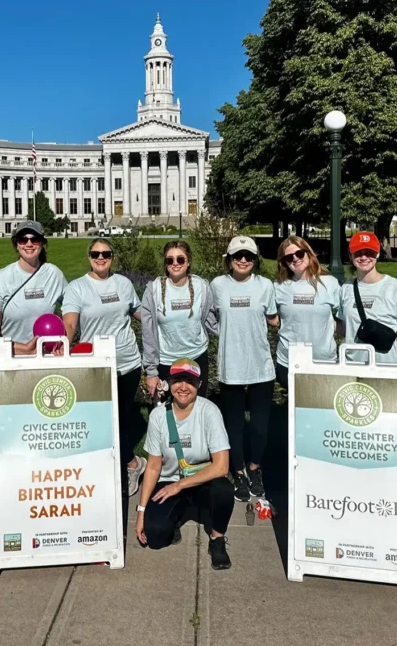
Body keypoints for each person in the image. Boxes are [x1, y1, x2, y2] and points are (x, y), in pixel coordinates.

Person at [62, 238, 148, 498]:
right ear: (89, 256)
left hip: (128, 362)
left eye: (106, 253)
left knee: (119, 418)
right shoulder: (77, 288)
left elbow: (139, 311)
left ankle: (127, 465)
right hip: (96, 365)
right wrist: (62, 342)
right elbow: (69, 324)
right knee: (101, 421)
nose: (101, 257)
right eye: (96, 253)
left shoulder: (122, 283)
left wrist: (166, 319)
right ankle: (131, 463)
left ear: (112, 256)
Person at [136, 358, 233, 570]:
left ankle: (217, 539)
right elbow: (153, 466)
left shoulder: (210, 412)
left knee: (224, 489)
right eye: (177, 380)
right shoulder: (158, 416)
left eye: (189, 381)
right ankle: (176, 518)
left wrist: (180, 485)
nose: (183, 387)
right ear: (169, 384)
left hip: (200, 482)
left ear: (199, 385)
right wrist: (141, 512)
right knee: (155, 536)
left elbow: (221, 466)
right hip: (169, 481)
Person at [209, 236, 278, 502]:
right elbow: (210, 317)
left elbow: (273, 318)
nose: (243, 260)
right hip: (231, 366)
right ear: (229, 259)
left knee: (260, 427)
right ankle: (238, 471)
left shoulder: (265, 286)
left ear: (255, 259)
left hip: (260, 366)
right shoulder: (218, 285)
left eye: (248, 255)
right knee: (234, 425)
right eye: (238, 255)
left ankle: (254, 468)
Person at [139, 241, 218, 398]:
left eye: (180, 259)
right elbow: (148, 333)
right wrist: (151, 370)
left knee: (196, 410)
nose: (175, 263)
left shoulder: (201, 287)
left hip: (196, 357)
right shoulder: (154, 290)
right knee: (168, 413)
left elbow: (211, 321)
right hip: (167, 361)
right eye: (170, 260)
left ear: (188, 262)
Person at [0, 220, 67, 355]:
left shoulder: (54, 274)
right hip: (12, 356)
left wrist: (64, 342)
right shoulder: (0, 279)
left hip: (47, 356)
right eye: (23, 240)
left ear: (42, 243)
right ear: (16, 244)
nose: (29, 244)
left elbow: (72, 309)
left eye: (34, 239)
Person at [273, 235, 342, 391]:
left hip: (323, 361)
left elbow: (345, 316)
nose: (295, 259)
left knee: (324, 409)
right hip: (289, 361)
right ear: (284, 262)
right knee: (293, 412)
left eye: (299, 253)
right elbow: (268, 314)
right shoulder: (279, 286)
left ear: (308, 253)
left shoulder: (329, 283)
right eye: (289, 257)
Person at [340, 231, 397, 365]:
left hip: (385, 367)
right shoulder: (345, 288)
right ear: (350, 255)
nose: (364, 257)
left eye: (369, 252)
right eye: (358, 253)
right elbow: (345, 328)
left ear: (377, 254)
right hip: (351, 365)